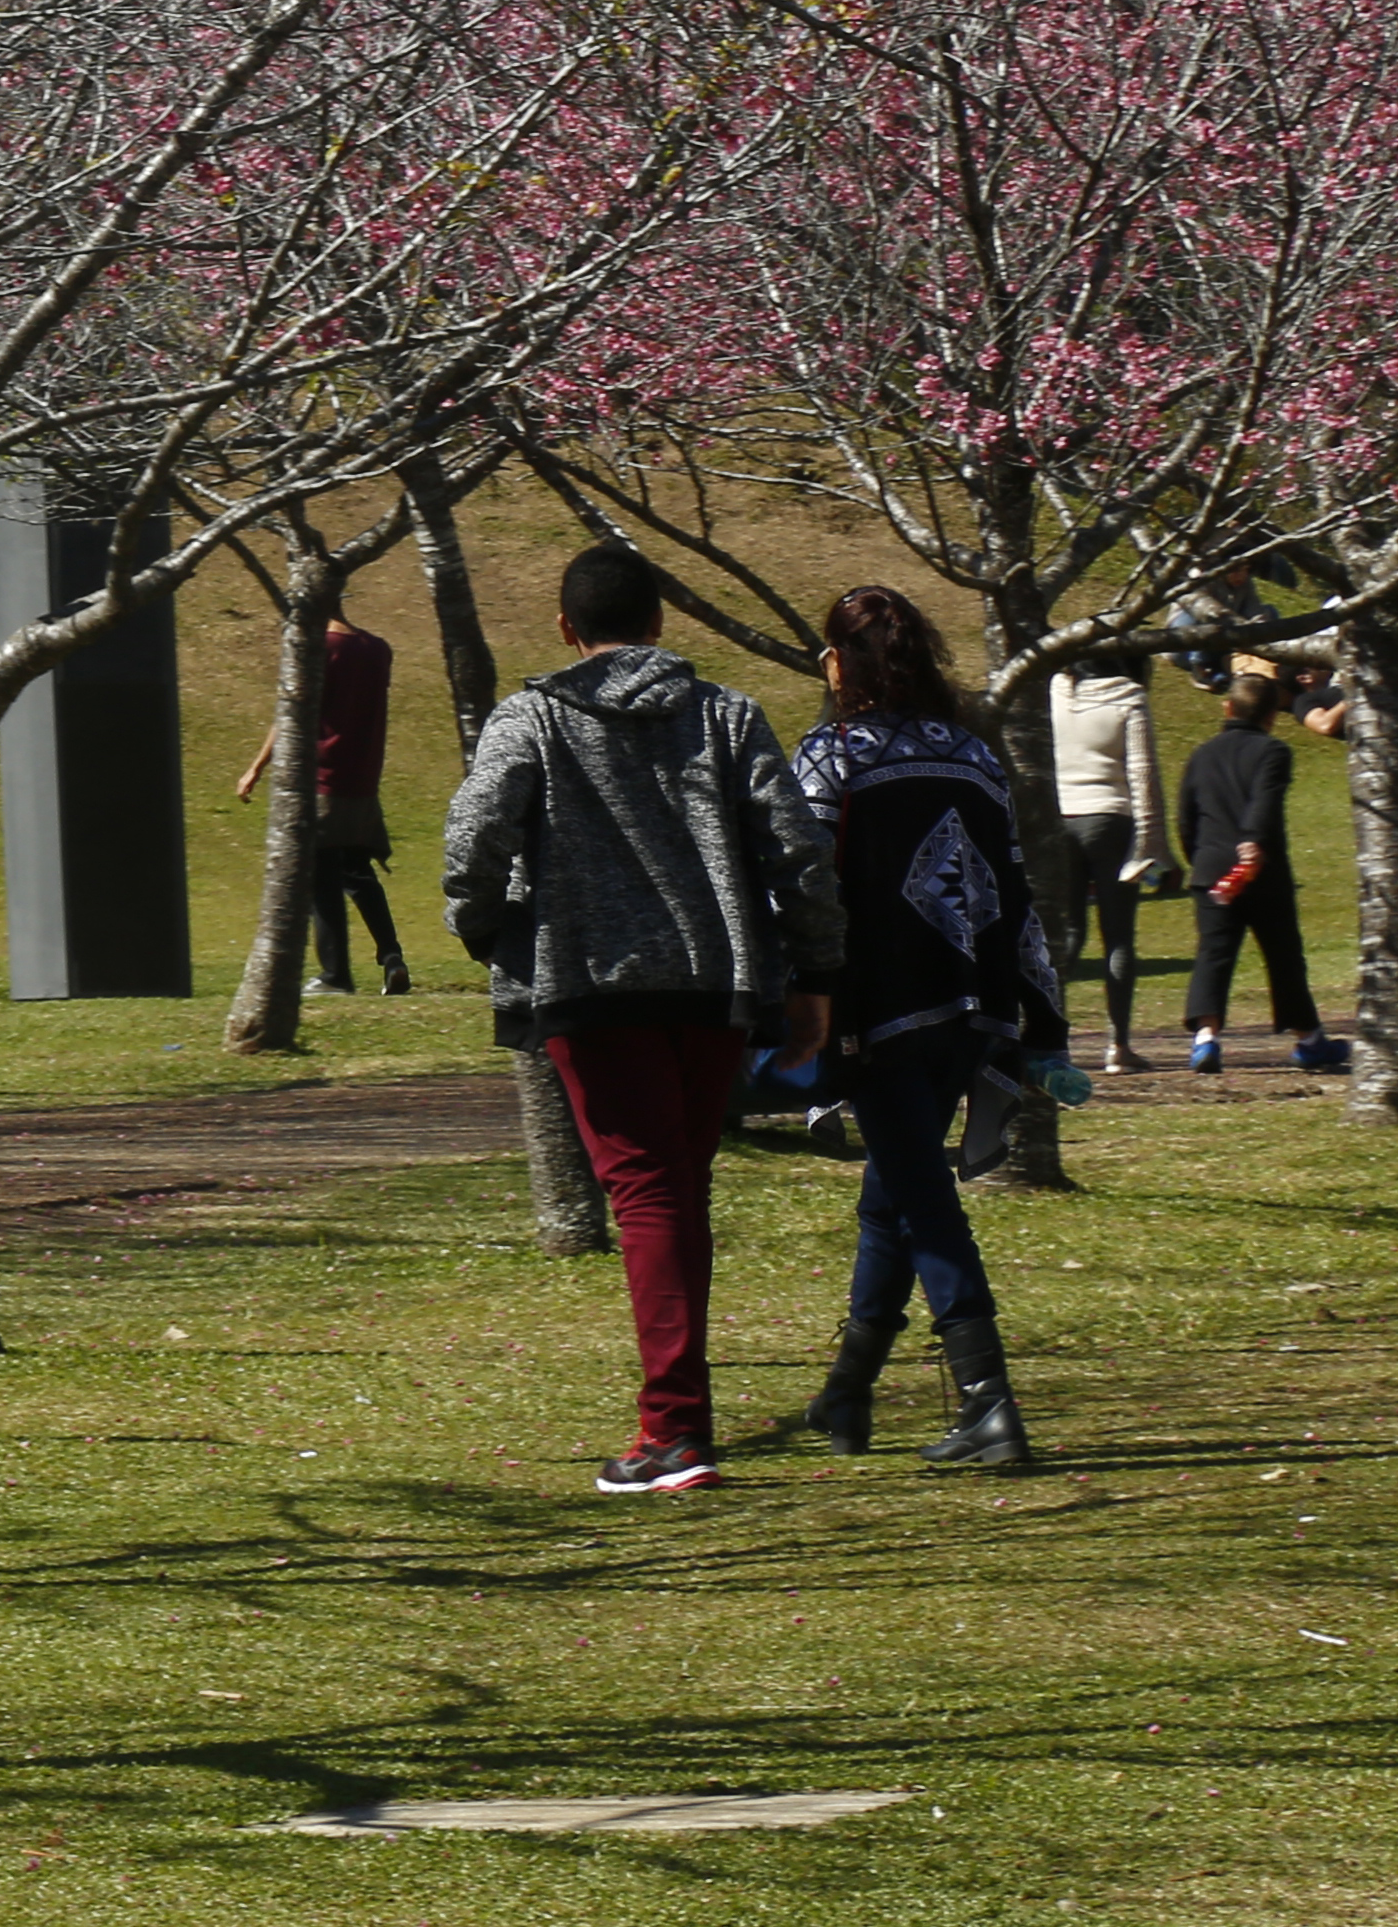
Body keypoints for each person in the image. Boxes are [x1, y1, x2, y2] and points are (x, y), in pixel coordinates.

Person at [436, 543, 841, 1493]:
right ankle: (679, 1419)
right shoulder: (727, 714)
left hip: (590, 984)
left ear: (565, 628)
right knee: (677, 1192)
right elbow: (798, 850)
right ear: (660, 623)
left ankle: (675, 1431)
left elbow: (473, 836)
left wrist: (485, 927)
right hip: (714, 988)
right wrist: (817, 969)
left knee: (652, 1196)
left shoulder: (532, 716)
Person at [781, 586, 1070, 1472]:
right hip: (974, 1007)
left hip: (877, 1014)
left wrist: (798, 995)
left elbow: (800, 886)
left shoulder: (831, 757)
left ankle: (988, 1400)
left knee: (922, 1197)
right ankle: (848, 1390)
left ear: (841, 662)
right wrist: (1042, 1018)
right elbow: (1014, 891)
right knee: (894, 1195)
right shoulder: (975, 757)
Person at [234, 608, 413, 995]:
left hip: (322, 780)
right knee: (358, 872)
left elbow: (291, 715)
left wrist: (255, 768)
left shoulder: (319, 648)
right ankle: (392, 957)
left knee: (322, 878)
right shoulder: (377, 649)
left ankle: (336, 975)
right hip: (363, 780)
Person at [1183, 661, 1351, 1075]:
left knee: (1214, 953)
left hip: (1211, 866)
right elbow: (1265, 799)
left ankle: (1206, 1038)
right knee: (1283, 955)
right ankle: (1308, 1039)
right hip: (1262, 871)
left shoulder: (1201, 755)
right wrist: (1253, 842)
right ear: (1273, 715)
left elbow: (1186, 816)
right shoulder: (1273, 751)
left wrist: (1199, 858)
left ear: (1228, 708)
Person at [1045, 645, 1171, 1071]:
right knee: (1117, 936)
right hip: (1111, 820)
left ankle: (1045, 1036)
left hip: (1059, 819)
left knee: (1068, 931)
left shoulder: (1056, 691)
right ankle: (1118, 1045)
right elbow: (1143, 773)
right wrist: (1153, 844)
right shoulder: (1129, 696)